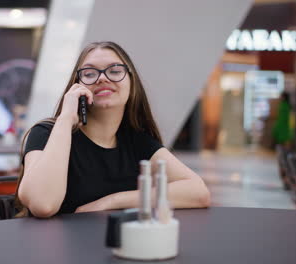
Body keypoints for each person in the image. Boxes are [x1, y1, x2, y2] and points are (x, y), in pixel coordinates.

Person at [16, 41, 210, 218]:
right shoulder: (46, 133)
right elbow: (43, 204)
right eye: (90, 74)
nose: (102, 78)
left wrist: (112, 202)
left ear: (132, 82)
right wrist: (66, 118)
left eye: (115, 71)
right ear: (77, 85)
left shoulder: (136, 141)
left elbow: (198, 192)